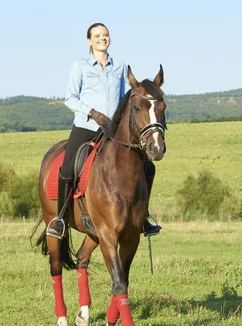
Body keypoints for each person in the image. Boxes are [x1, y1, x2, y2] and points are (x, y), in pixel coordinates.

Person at [46, 22, 161, 239]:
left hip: (113, 129)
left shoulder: (120, 66)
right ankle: (60, 218)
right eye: (97, 35)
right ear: (89, 40)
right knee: (69, 167)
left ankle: (143, 216)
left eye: (105, 35)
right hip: (86, 125)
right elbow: (70, 98)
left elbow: (127, 98)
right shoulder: (80, 66)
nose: (102, 38)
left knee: (148, 166)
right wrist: (93, 112)